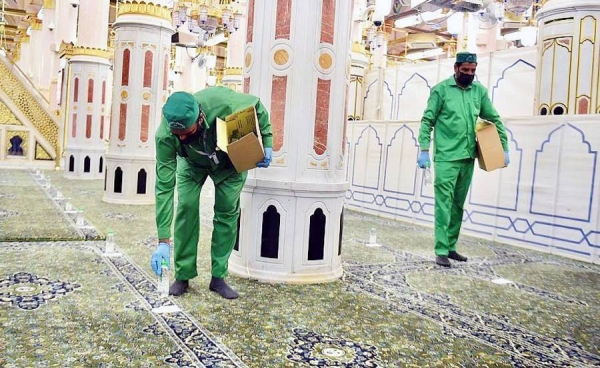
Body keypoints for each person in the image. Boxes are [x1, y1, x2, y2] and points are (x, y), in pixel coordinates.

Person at [150, 87, 273, 299]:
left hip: (228, 162)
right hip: (191, 164)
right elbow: (164, 187)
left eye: (187, 133)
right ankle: (183, 275)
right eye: (178, 136)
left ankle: (218, 277)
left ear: (200, 117)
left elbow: (258, 106)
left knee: (226, 212)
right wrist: (163, 240)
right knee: (186, 207)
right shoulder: (165, 136)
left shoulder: (223, 103)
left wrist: (268, 142)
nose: (183, 138)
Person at [417, 52, 509, 268]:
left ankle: (451, 246)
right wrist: (423, 149)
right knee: (444, 204)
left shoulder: (479, 92)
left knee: (458, 205)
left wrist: (503, 147)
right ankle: (440, 250)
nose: (469, 74)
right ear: (456, 68)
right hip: (446, 158)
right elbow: (427, 120)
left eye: (473, 70)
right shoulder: (441, 90)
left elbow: (493, 118)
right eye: (465, 70)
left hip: (468, 157)